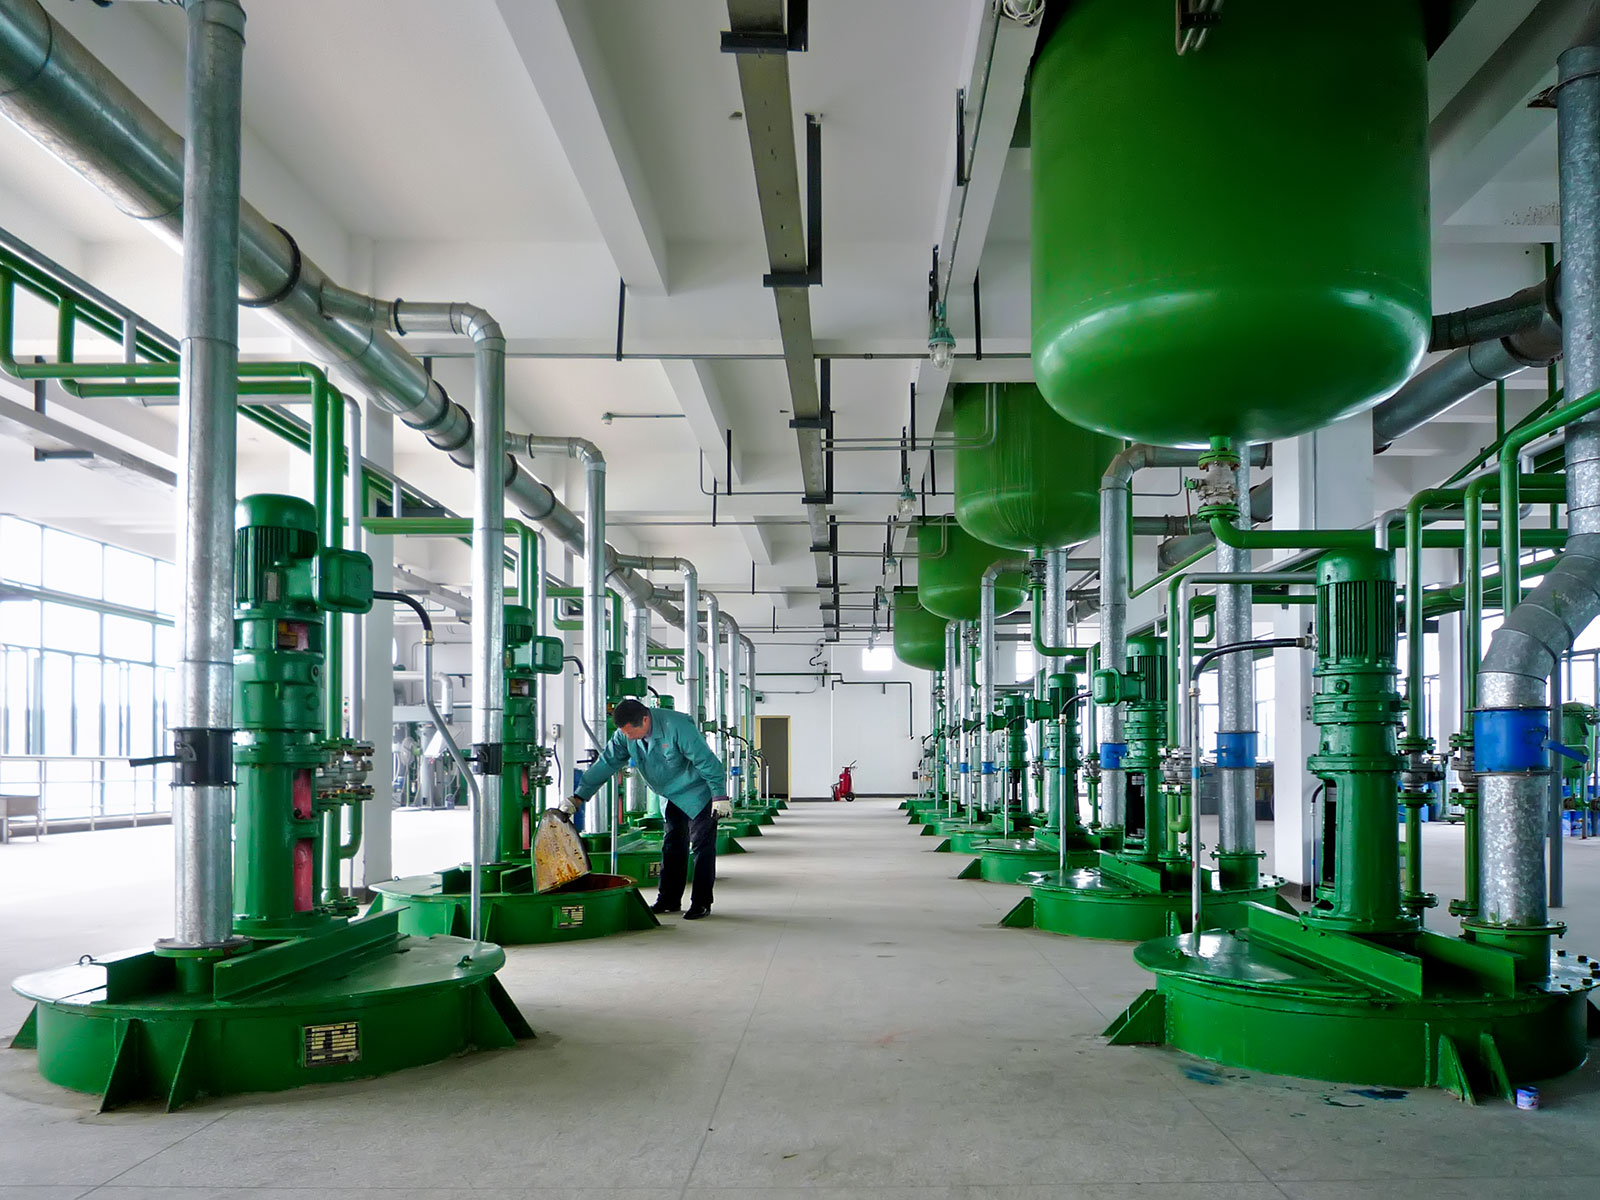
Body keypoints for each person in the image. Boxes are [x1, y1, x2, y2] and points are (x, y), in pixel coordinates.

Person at [562, 698, 728, 920]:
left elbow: (707, 761)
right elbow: (606, 763)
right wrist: (578, 797)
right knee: (672, 845)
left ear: (645, 719)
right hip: (672, 794)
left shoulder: (677, 726)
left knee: (702, 846)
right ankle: (668, 899)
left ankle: (701, 903)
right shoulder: (625, 735)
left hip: (699, 792)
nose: (629, 737)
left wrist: (719, 795)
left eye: (631, 732)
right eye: (625, 733)